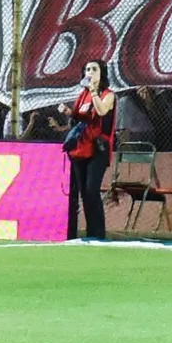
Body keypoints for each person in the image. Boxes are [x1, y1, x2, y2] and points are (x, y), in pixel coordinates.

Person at [63, 60, 117, 241]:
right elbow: (79, 116)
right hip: (80, 148)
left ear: (102, 73)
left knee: (92, 190)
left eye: (94, 69)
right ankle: (90, 233)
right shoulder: (82, 95)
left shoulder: (109, 95)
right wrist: (68, 112)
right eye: (87, 69)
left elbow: (101, 111)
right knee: (84, 193)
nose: (90, 72)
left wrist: (94, 91)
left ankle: (98, 233)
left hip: (97, 149)